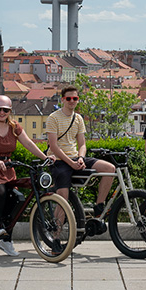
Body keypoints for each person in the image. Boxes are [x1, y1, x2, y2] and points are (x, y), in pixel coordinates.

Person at [0, 95, 53, 256]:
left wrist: (45, 157)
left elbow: (28, 143)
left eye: (5, 110)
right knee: (0, 193)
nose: (2, 113)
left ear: (10, 111)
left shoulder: (14, 127)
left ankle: (6, 240)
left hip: (6, 167)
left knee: (17, 198)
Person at [46, 86, 115, 218]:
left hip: (75, 158)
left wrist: (80, 158)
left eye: (75, 98)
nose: (72, 101)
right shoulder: (53, 118)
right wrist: (71, 163)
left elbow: (82, 144)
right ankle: (56, 234)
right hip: (59, 161)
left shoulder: (78, 118)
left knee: (109, 168)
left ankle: (99, 206)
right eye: (69, 98)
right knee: (63, 198)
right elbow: (54, 147)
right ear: (63, 100)